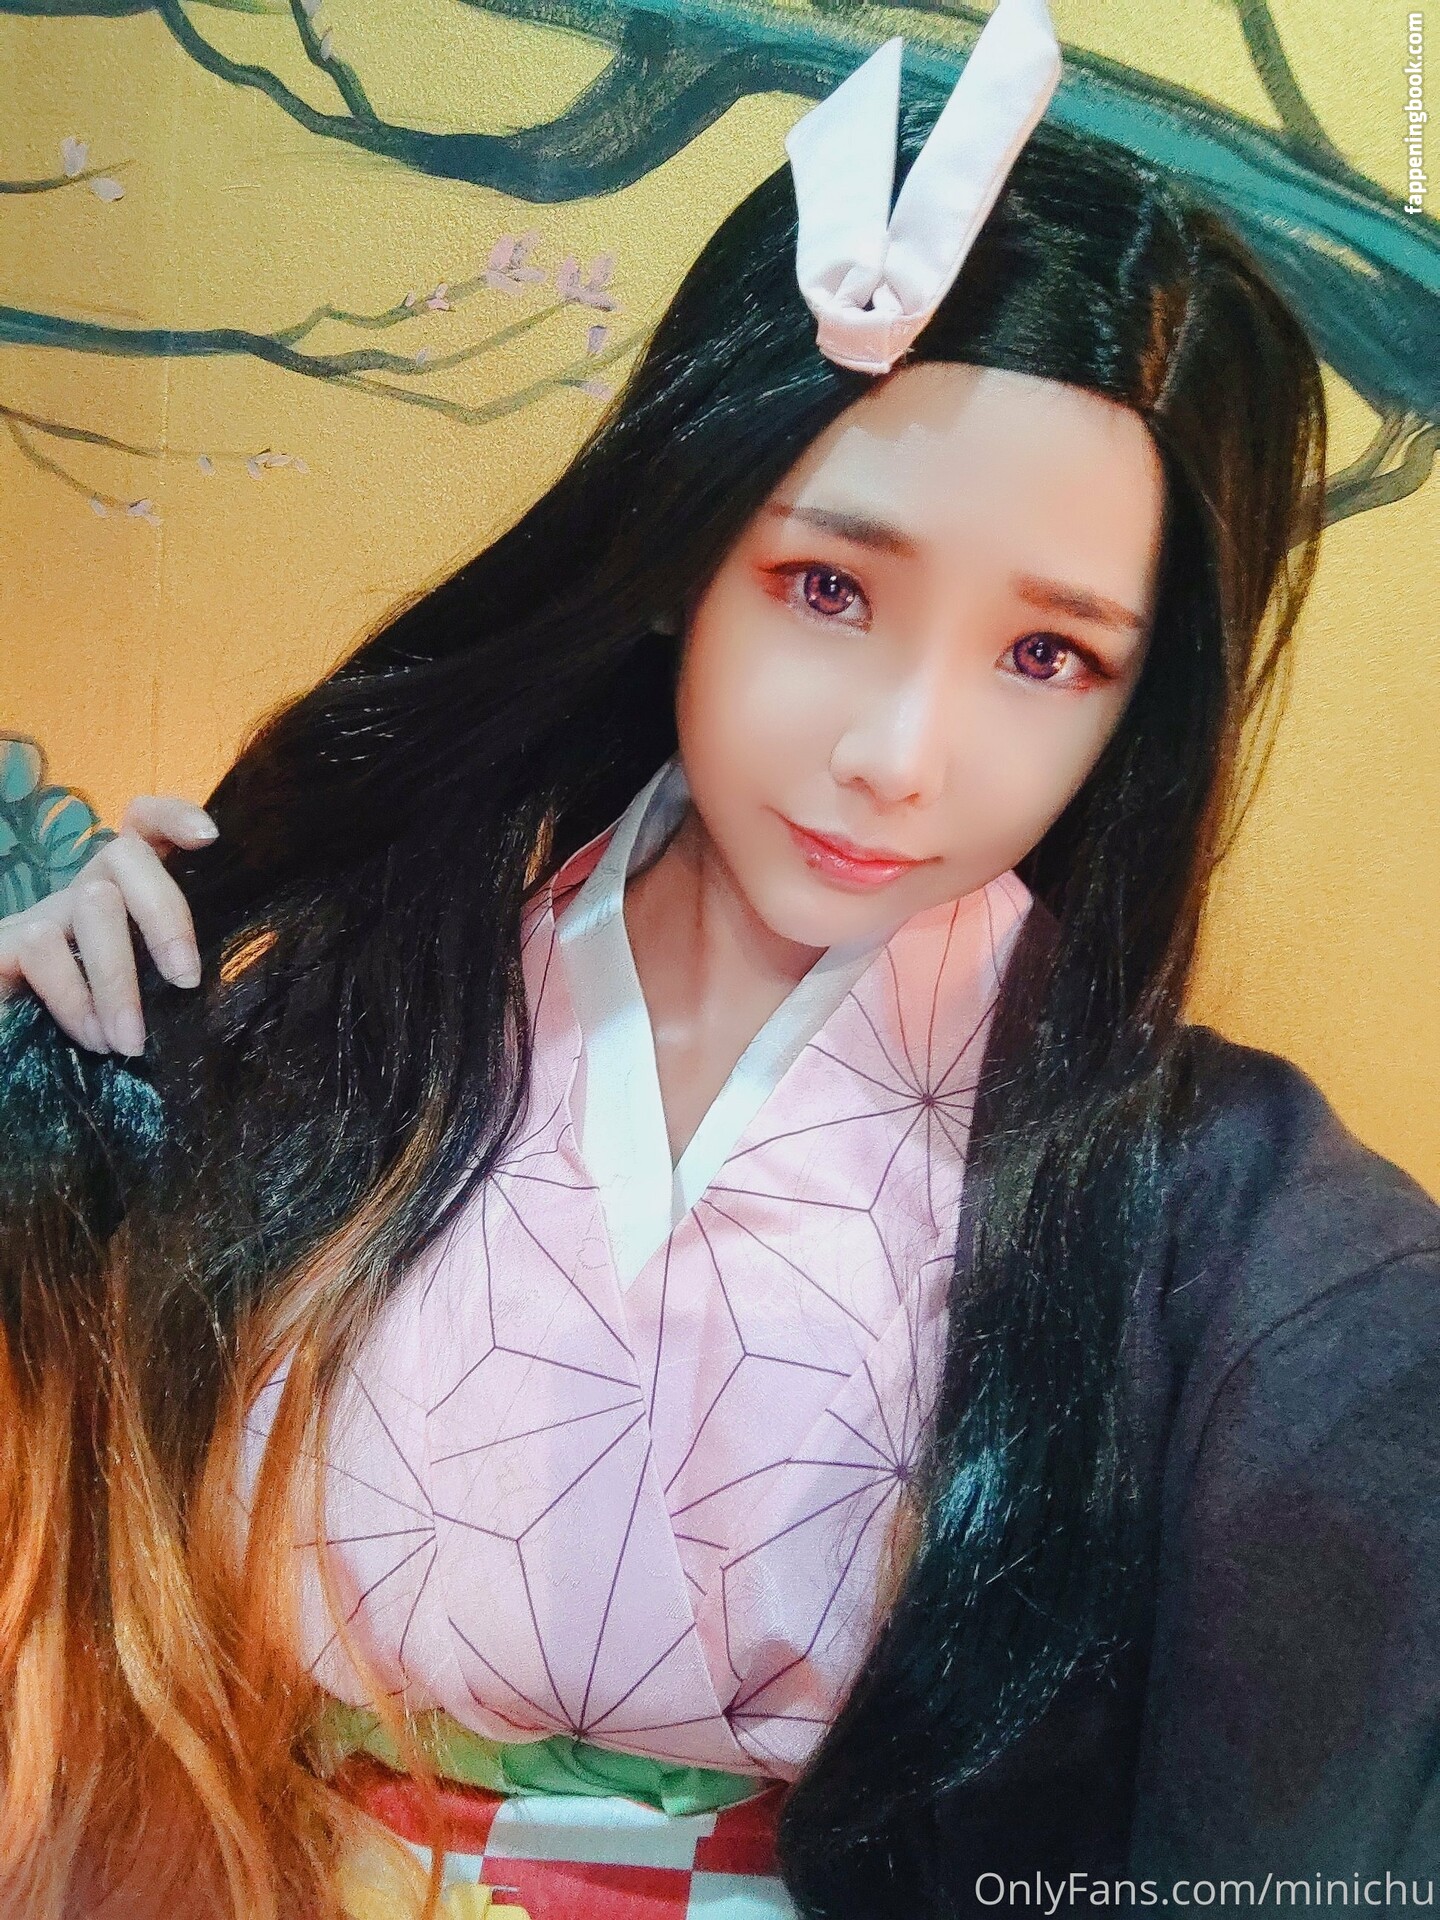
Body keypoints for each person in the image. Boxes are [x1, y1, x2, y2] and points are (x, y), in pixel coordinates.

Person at [2, 2, 1438, 1915]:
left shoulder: (1222, 1220)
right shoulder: (326, 1003)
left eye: (1048, 655)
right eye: (828, 586)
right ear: (684, 552)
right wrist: (47, 1064)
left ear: (1137, 706)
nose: (901, 756)